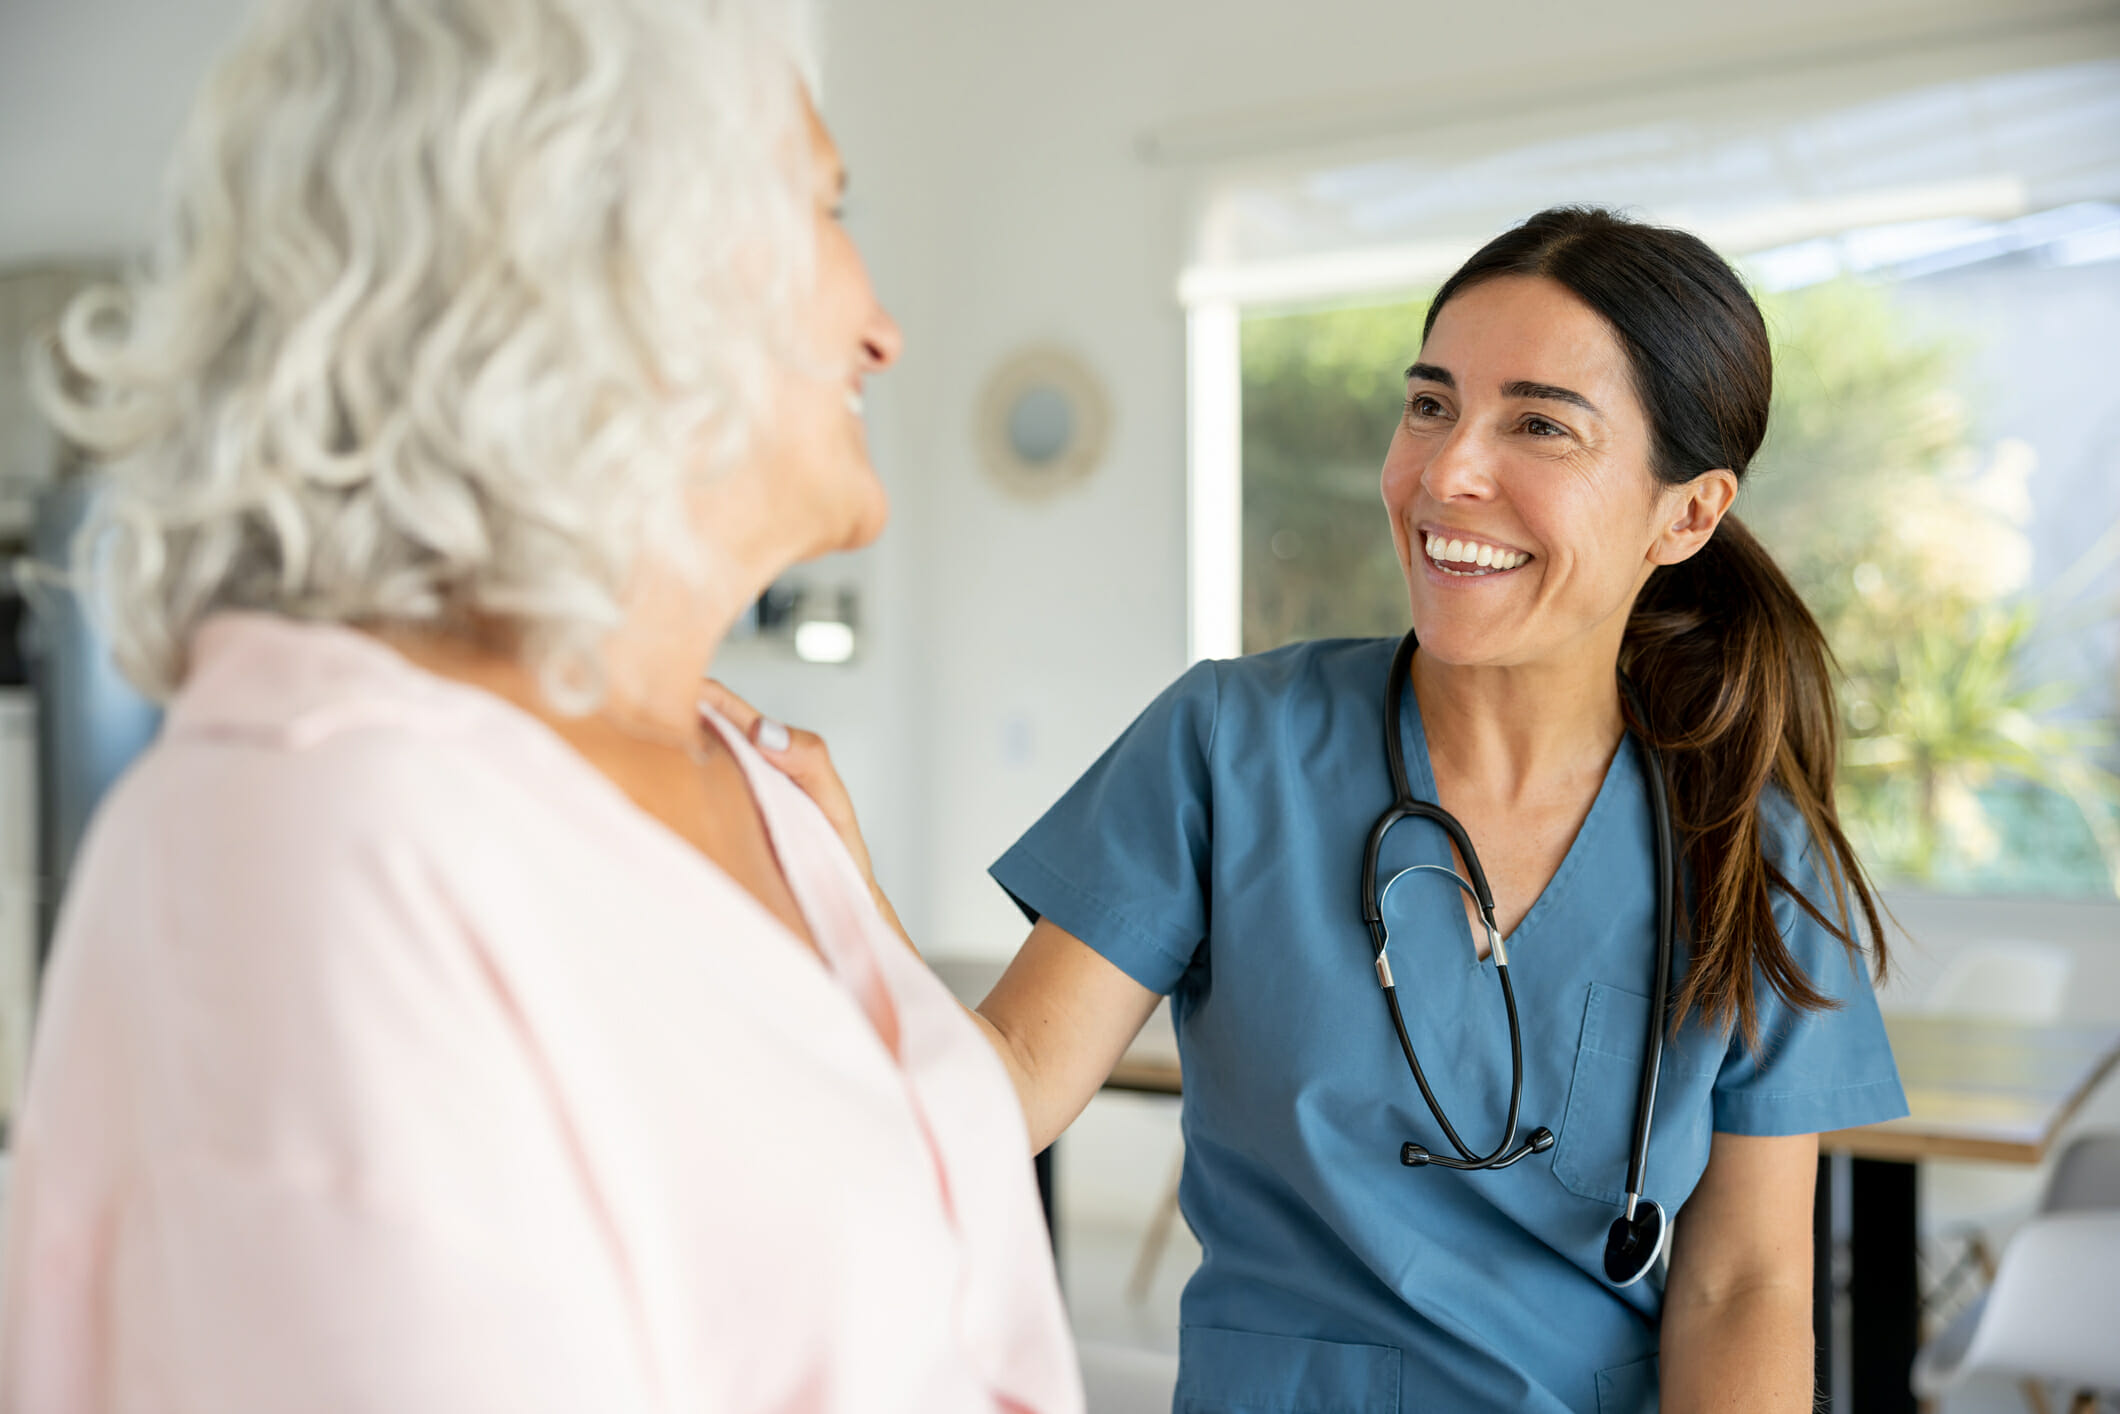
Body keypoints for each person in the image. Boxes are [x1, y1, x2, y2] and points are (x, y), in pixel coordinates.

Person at [0, 3, 1079, 1412]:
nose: (883, 329)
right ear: (605, 256)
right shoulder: (318, 839)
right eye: (828, 204)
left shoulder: (760, 775)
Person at [754, 207, 1908, 1412]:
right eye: (1429, 404)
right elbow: (1003, 1094)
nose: (1446, 470)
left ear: (1686, 513)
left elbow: (1747, 1285)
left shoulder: (1744, 846)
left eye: (1538, 425)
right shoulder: (1227, 745)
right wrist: (839, 894)